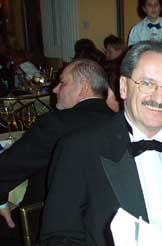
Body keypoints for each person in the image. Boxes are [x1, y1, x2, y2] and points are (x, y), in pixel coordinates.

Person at [40, 41, 162, 245]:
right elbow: (59, 238)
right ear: (123, 87)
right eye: (148, 84)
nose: (159, 98)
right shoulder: (79, 149)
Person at [0, 59, 113, 244]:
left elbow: (5, 169)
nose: (55, 89)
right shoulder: (121, 124)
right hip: (109, 230)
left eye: (62, 83)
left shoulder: (55, 124)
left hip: (53, 229)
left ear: (83, 87)